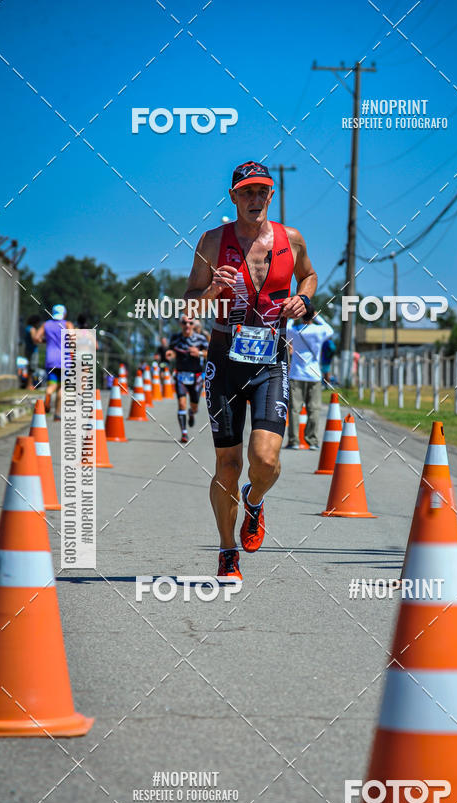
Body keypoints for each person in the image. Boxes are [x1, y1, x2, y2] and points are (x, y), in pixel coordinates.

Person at [183, 160, 317, 580]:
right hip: (224, 358)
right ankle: (227, 552)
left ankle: (254, 501)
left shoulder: (291, 239)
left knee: (266, 459)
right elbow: (189, 304)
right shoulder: (211, 242)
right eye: (247, 192)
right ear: (233, 197)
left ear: (271, 195)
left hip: (271, 361)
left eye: (262, 191)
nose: (255, 199)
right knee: (227, 464)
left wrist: (304, 301)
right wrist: (211, 290)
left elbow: (309, 277)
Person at [286, 311, 334, 449]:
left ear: (301, 316)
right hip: (314, 375)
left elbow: (286, 328)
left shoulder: (295, 330)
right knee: (314, 409)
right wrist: (317, 316)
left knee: (294, 409)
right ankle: (312, 440)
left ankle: (294, 441)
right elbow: (330, 329)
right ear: (312, 316)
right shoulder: (319, 331)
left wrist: (292, 317)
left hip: (296, 374)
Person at [166, 315, 209, 443]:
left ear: (194, 325)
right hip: (180, 375)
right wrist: (171, 354)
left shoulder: (200, 339)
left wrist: (199, 353)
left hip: (196, 376)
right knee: (181, 403)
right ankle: (184, 433)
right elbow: (172, 351)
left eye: (190, 323)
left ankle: (192, 412)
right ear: (181, 324)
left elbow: (210, 353)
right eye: (184, 323)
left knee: (194, 405)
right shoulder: (175, 338)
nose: (187, 326)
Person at [34, 304, 75, 420]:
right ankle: (57, 414)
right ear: (64, 314)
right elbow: (73, 339)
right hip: (65, 360)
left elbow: (36, 338)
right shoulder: (67, 324)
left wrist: (46, 341)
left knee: (51, 385)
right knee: (61, 388)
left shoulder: (46, 324)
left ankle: (48, 394)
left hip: (50, 359)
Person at [23, 314, 41, 389]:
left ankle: (29, 384)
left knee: (29, 368)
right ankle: (29, 385)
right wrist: (41, 340)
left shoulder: (27, 328)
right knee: (32, 369)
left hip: (27, 349)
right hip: (33, 351)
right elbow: (35, 340)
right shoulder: (32, 329)